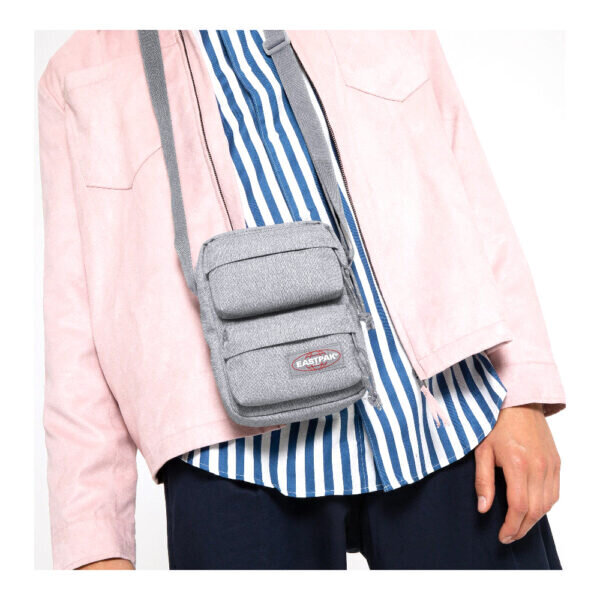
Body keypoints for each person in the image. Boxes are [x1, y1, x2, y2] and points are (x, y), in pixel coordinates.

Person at [39, 30, 564, 570]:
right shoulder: (77, 73)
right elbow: (75, 318)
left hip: (444, 408)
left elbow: (463, 170)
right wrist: (94, 546)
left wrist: (521, 392)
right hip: (229, 456)